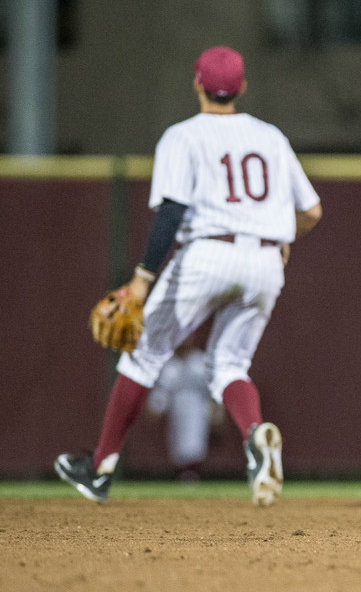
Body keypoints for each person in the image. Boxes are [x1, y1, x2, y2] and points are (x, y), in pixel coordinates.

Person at [56, 46, 323, 506]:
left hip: (207, 254)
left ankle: (99, 468)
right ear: (242, 88)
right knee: (230, 366)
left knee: (142, 355)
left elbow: (172, 212)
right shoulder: (271, 136)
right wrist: (281, 239)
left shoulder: (182, 136)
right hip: (263, 263)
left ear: (197, 84)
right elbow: (312, 211)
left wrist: (141, 279)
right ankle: (255, 434)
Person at [144, 343, 224, 481]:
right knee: (177, 441)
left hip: (198, 405)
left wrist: (217, 408)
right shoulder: (169, 364)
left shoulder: (200, 360)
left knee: (196, 439)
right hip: (176, 406)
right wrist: (156, 406)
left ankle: (193, 472)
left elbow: (213, 387)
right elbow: (162, 391)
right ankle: (183, 472)